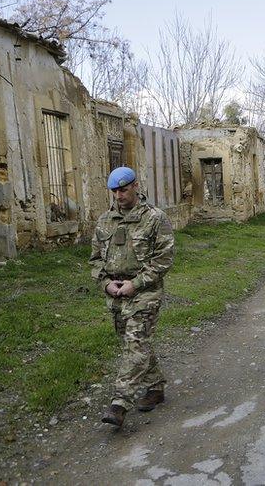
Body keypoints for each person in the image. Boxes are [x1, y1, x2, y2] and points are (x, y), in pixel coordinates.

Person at [89, 166, 175, 428]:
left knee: (135, 344)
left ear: (135, 186)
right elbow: (94, 259)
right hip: (116, 296)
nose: (118, 195)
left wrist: (135, 284)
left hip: (145, 293)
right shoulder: (105, 221)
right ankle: (156, 387)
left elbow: (164, 259)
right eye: (114, 191)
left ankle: (119, 404)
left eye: (123, 189)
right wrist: (105, 284)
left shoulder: (155, 219)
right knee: (137, 345)